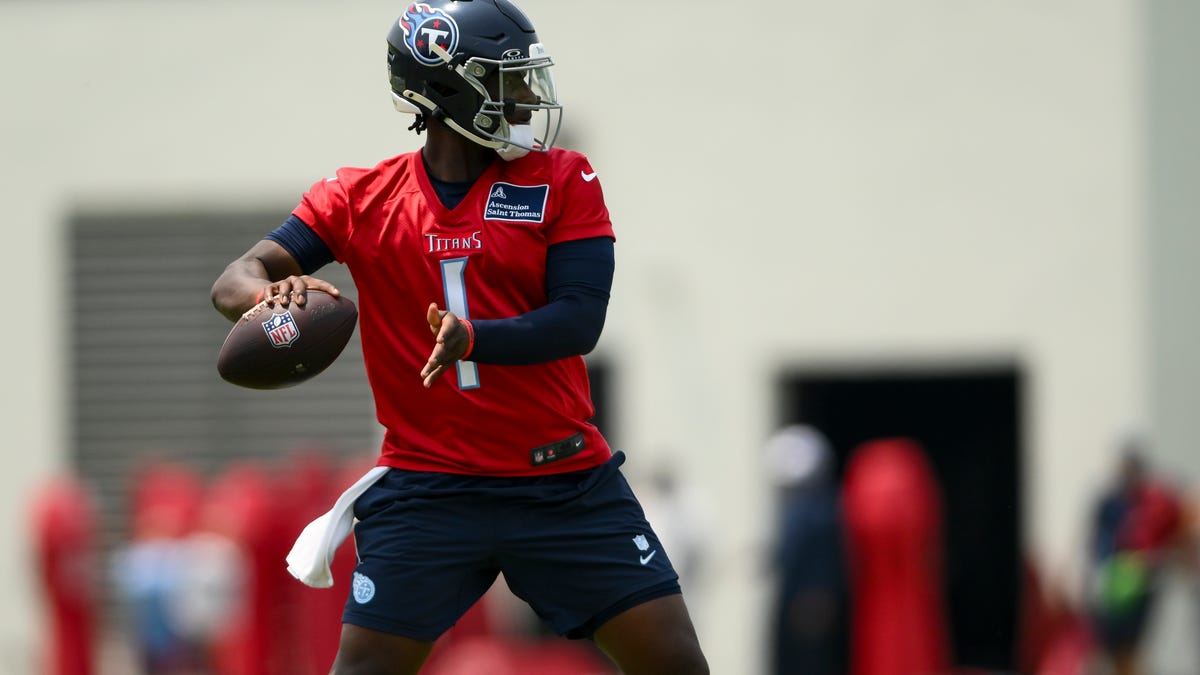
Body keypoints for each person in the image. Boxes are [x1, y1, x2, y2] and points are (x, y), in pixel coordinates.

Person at [209, 2, 709, 674]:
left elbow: (579, 320)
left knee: (676, 661)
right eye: (508, 80)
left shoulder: (563, 178)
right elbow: (234, 279)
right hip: (429, 485)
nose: (529, 95)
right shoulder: (361, 196)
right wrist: (274, 295)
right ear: (449, 90)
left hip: (560, 480)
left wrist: (475, 338)